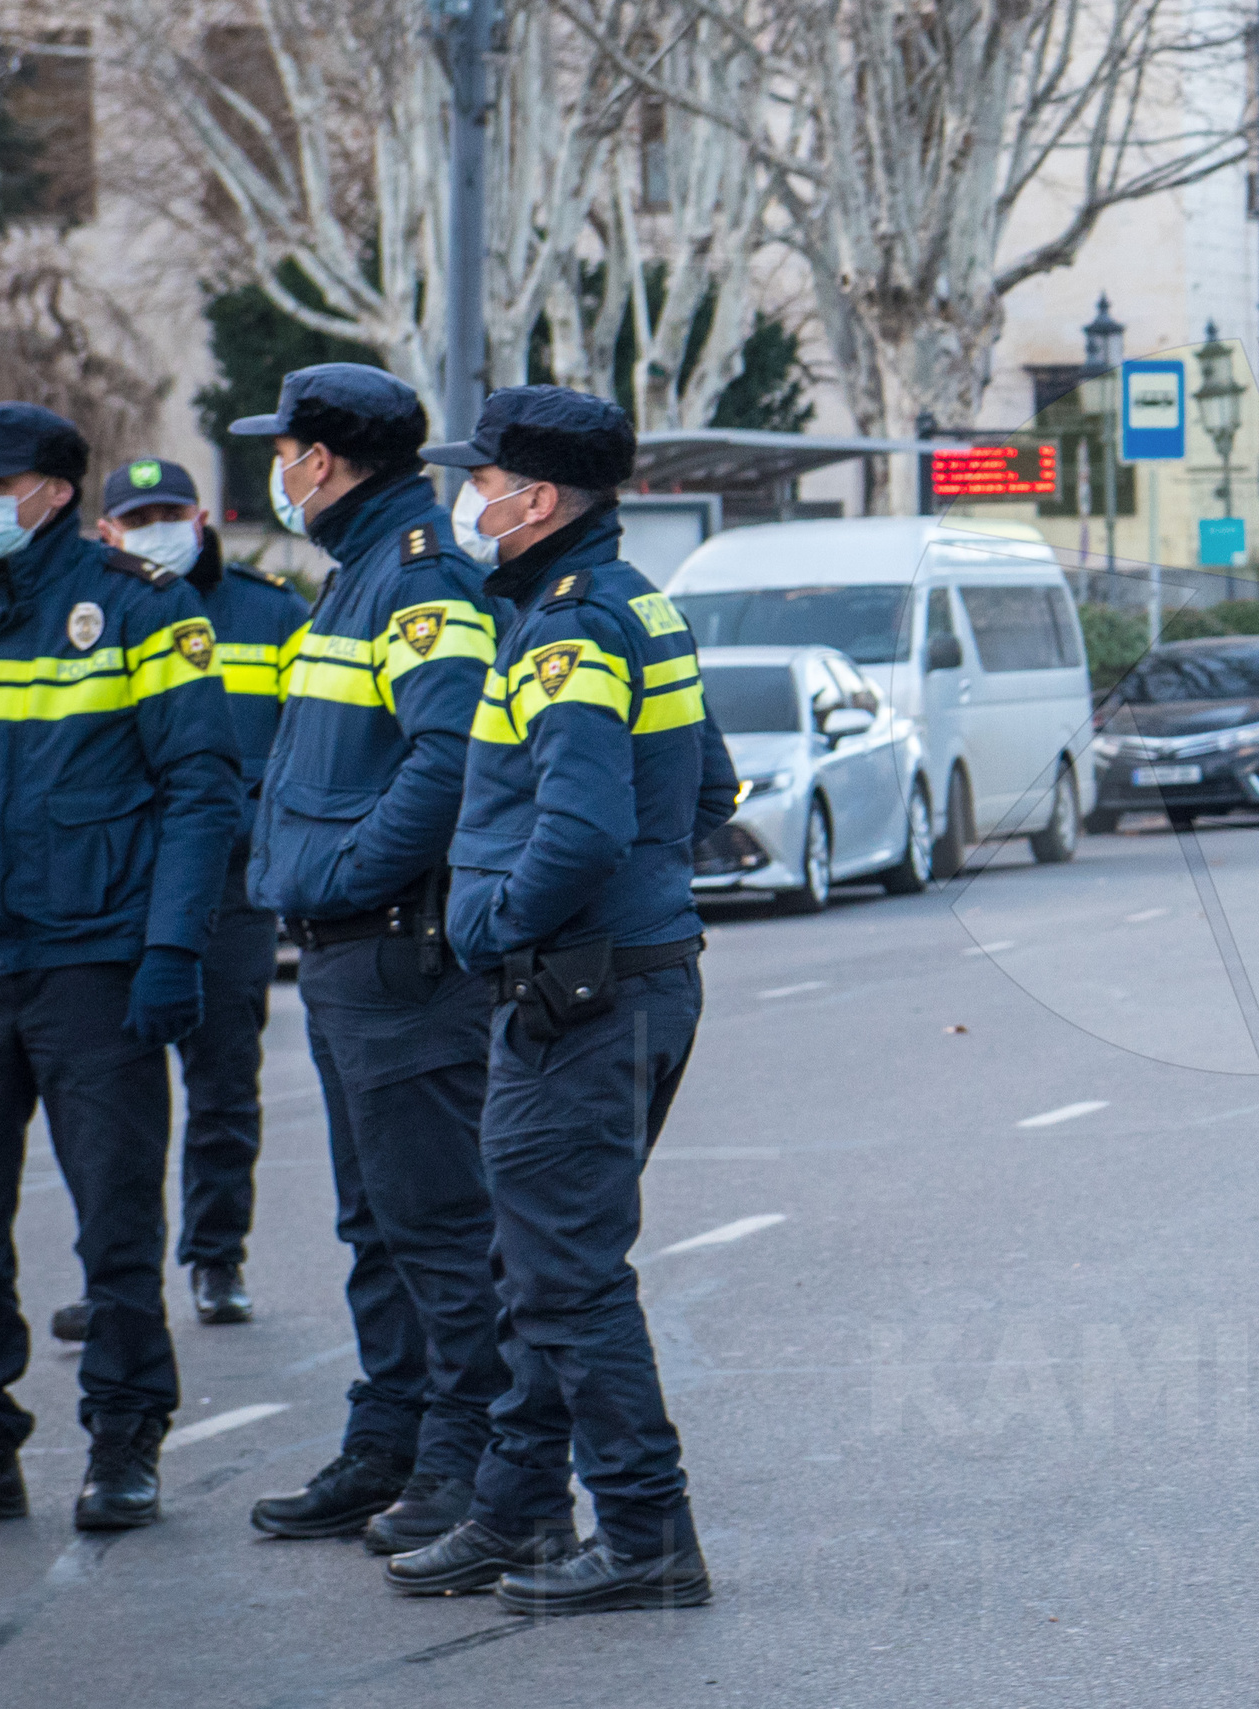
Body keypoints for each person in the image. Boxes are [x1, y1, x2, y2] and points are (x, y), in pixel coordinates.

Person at [379, 387, 735, 1612]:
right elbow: (709, 785)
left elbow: (579, 827)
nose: (467, 499)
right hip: (628, 977)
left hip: (575, 992)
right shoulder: (630, 603)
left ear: (535, 499)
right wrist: (646, 894)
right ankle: (520, 1510)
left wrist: (487, 923)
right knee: (538, 1261)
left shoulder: (564, 632)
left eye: (480, 481)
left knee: (567, 1278)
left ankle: (646, 1533)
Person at [0, 405, 240, 1535]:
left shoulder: (143, 608)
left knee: (114, 1223)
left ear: (52, 490)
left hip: (94, 961)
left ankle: (124, 1442)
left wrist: (173, 947)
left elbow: (200, 790)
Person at [228, 366, 512, 1555]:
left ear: (326, 460)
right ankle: (387, 1438)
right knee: (376, 1222)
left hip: (395, 955)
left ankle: (462, 1465)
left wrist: (351, 877)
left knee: (436, 1227)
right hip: (352, 959)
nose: (274, 468)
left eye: (283, 448)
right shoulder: (362, 573)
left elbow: (448, 758)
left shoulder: (420, 579)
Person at [45, 459, 308, 1344]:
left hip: (227, 884)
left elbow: (310, 745)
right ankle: (113, 1276)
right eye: (138, 515)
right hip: (116, 880)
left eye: (171, 511)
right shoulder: (87, 612)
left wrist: (245, 812)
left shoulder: (272, 611)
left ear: (200, 517)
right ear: (107, 531)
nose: (157, 525)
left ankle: (215, 1255)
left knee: (222, 1080)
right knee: (102, 1099)